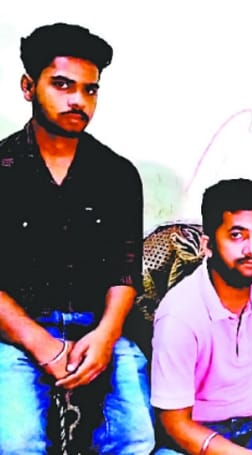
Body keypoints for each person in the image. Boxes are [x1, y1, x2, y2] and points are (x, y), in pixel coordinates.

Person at [0, 23, 154, 454]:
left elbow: (125, 271)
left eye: (90, 90)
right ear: (28, 87)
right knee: (17, 442)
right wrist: (42, 344)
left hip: (98, 330)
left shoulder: (117, 174)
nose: (78, 101)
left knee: (136, 438)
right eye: (63, 85)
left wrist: (105, 336)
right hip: (15, 334)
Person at [151, 178, 252, 455]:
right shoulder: (178, 315)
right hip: (197, 436)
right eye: (237, 235)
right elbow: (175, 423)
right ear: (208, 245)